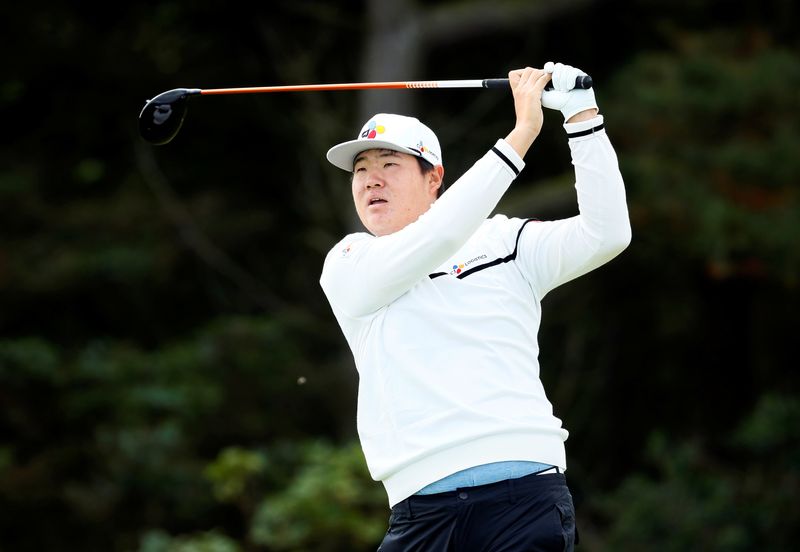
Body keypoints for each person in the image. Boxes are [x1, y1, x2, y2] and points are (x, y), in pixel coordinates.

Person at [319, 62, 631, 551]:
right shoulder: (349, 261)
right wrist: (522, 133)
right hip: (420, 510)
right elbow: (439, 234)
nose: (370, 181)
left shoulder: (506, 239)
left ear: (434, 178)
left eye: (389, 166)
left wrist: (582, 118)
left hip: (524, 497)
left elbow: (607, 234)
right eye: (361, 171)